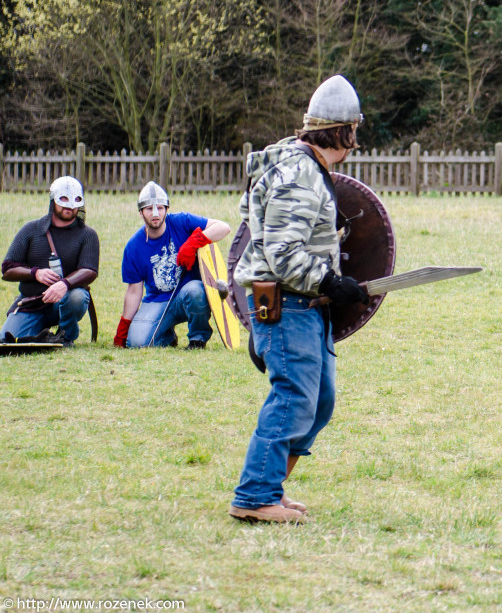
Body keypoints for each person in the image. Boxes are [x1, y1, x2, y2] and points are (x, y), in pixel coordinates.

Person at [228, 74, 369, 523]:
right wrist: (329, 282)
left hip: (306, 305)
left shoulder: (304, 168)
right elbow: (283, 253)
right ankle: (254, 497)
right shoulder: (300, 174)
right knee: (293, 399)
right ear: (345, 132)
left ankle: (271, 487)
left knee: (319, 400)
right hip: (289, 304)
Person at [113, 182, 230, 349]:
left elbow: (223, 227)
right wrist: (124, 327)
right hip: (157, 301)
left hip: (187, 295)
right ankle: (167, 336)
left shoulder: (181, 222)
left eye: (160, 208)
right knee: (137, 343)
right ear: (140, 212)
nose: (155, 214)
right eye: (149, 209)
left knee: (196, 290)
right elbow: (134, 291)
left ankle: (197, 339)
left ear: (166, 209)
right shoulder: (133, 247)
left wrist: (193, 243)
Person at [1, 176, 99, 347]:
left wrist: (65, 284)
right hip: (32, 302)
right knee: (7, 340)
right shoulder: (31, 230)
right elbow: (8, 269)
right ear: (53, 200)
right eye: (64, 200)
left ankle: (65, 336)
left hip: (66, 300)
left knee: (77, 297)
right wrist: (35, 273)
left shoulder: (87, 235)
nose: (69, 207)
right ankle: (41, 333)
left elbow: (89, 270)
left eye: (75, 202)